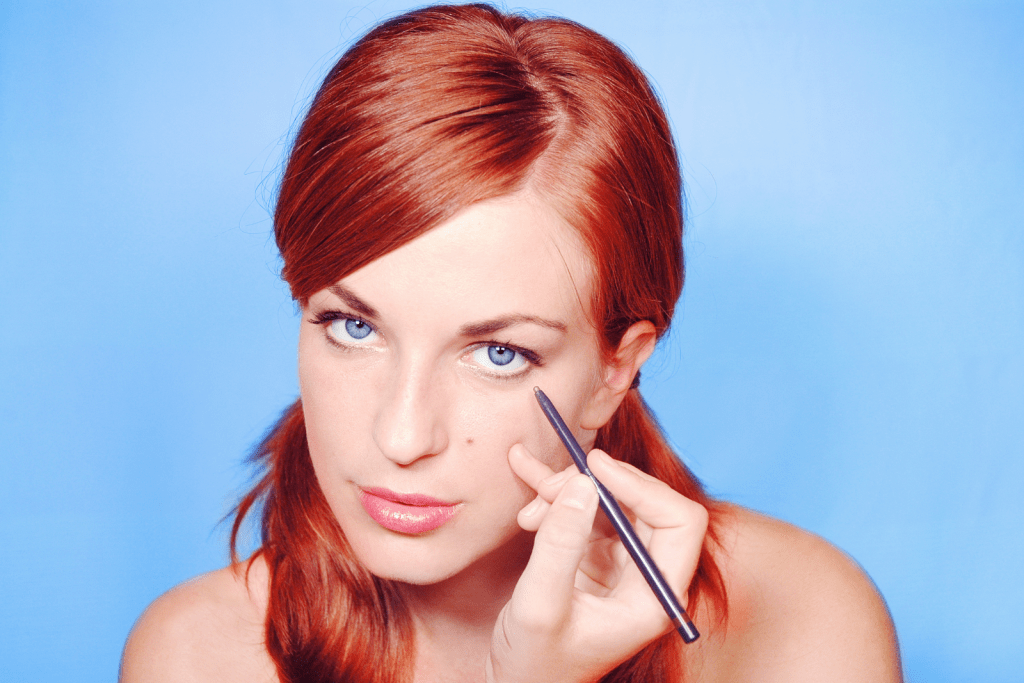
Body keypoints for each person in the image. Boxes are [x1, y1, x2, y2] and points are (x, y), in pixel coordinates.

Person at [120, 4, 902, 681]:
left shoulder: (799, 616)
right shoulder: (200, 653)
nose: (401, 435)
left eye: (499, 353)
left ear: (614, 369)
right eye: (353, 327)